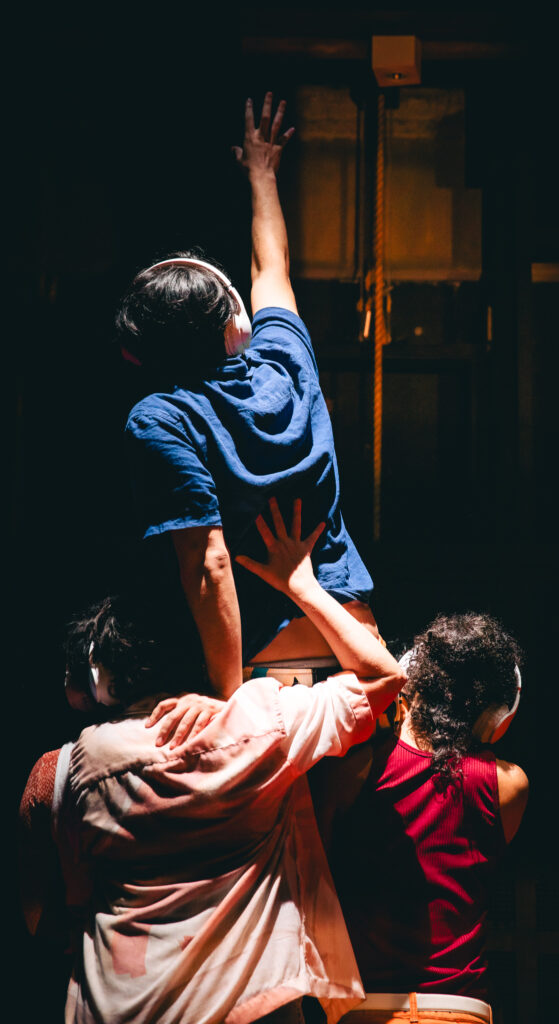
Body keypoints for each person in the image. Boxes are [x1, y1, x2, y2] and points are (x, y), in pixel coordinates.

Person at [19, 499, 406, 1024]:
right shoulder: (262, 723)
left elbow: (41, 917)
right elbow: (385, 677)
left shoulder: (60, 772)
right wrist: (302, 585)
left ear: (98, 679)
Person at [117, 94, 376, 701]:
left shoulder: (162, 418)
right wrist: (263, 173)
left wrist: (228, 699)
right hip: (356, 648)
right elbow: (272, 267)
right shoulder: (285, 363)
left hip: (264, 670)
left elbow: (208, 564)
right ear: (237, 325)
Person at [311, 612, 529, 1024]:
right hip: (459, 1010)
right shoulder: (509, 786)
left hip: (365, 1009)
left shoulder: (351, 772)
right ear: (497, 716)